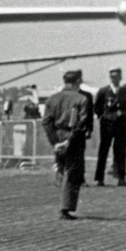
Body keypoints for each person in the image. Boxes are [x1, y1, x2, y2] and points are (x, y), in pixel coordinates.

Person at [41, 70, 91, 220]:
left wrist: (55, 143)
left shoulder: (51, 99)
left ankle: (64, 204)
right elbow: (80, 124)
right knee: (72, 172)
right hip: (73, 139)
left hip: (57, 136)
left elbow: (46, 122)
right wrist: (68, 141)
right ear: (78, 81)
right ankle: (65, 208)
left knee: (62, 170)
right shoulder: (81, 99)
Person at [93, 67, 126, 187]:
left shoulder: (125, 91)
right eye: (112, 76)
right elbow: (97, 108)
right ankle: (100, 179)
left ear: (120, 77)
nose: (114, 79)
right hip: (107, 124)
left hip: (120, 124)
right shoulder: (103, 91)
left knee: (120, 151)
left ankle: (121, 178)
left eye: (116, 76)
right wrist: (104, 116)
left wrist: (120, 113)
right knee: (103, 151)